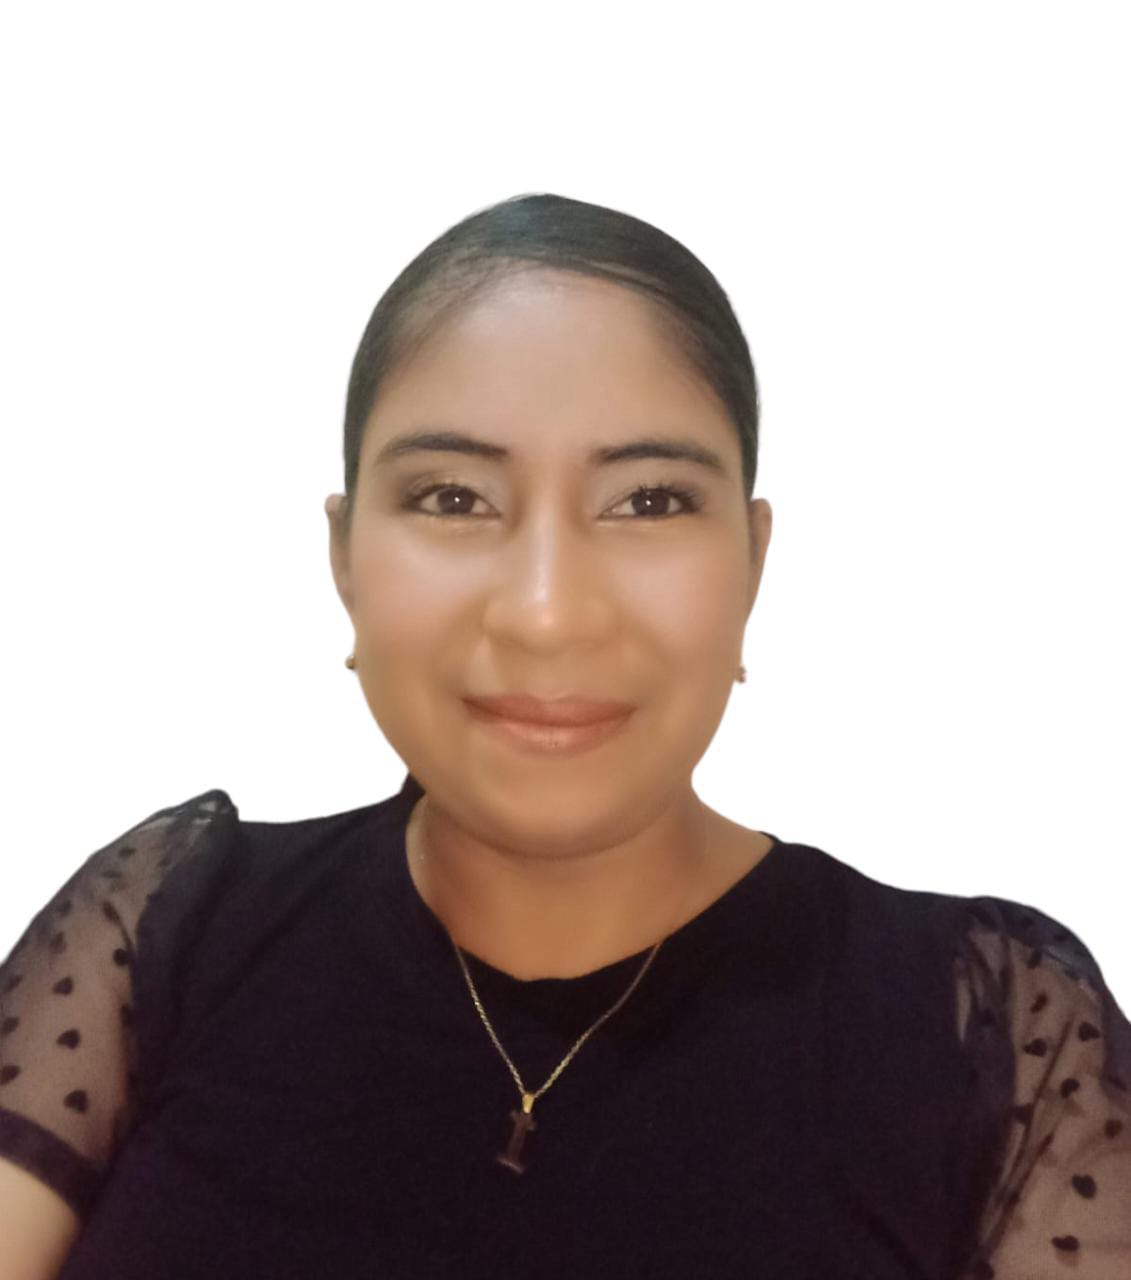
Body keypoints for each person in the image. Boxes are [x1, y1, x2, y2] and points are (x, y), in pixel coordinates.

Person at [1, 193, 1128, 1279]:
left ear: (752, 562)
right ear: (343, 559)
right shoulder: (165, 931)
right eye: (453, 498)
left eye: (649, 501)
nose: (547, 612)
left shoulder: (990, 1029)